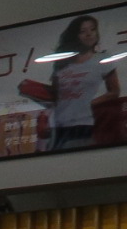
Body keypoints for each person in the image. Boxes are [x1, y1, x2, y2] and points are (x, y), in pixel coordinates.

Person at [28, 14, 119, 152]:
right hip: (57, 125)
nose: (89, 34)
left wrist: (89, 103)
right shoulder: (62, 62)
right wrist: (34, 93)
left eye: (92, 29)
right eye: (83, 31)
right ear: (75, 35)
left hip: (83, 123)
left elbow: (114, 91)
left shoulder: (103, 58)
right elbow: (56, 96)